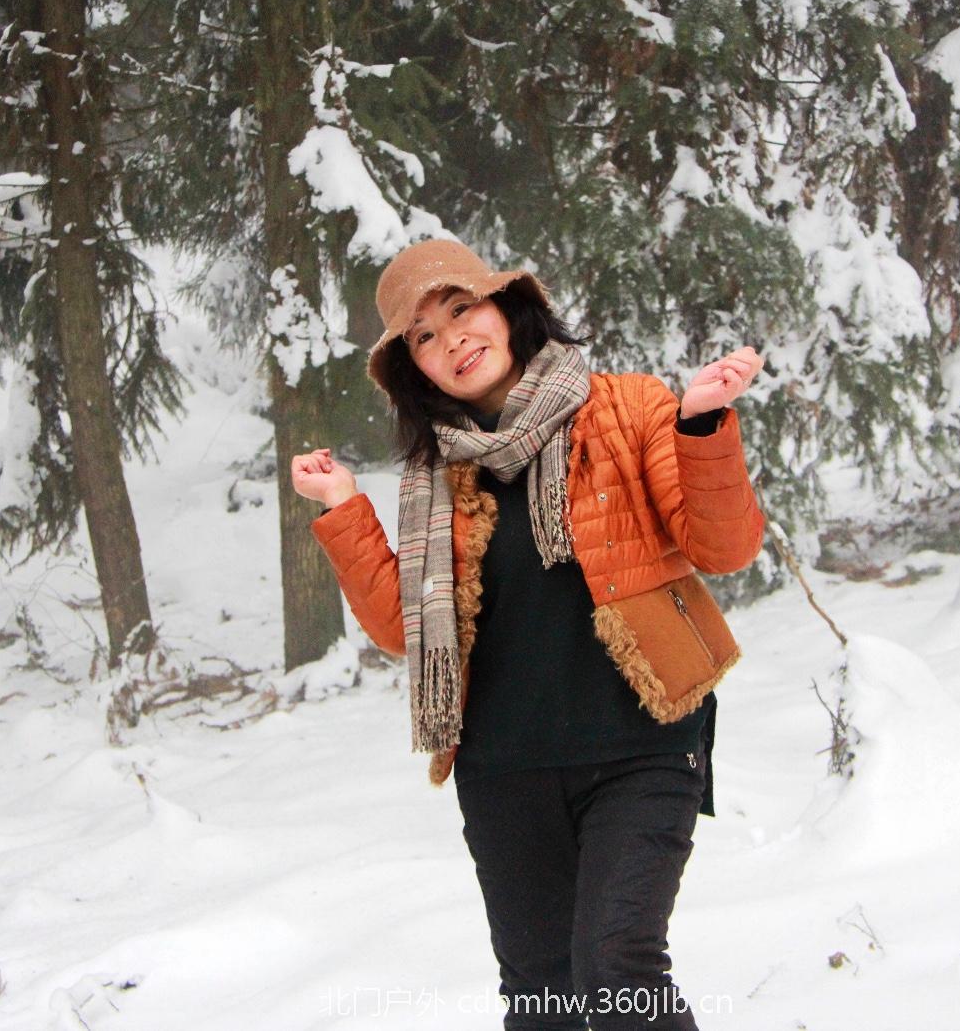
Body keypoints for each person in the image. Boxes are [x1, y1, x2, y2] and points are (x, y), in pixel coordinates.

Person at [291, 238, 765, 1030]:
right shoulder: (435, 477)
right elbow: (404, 628)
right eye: (425, 336)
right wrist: (343, 507)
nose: (452, 341)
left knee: (616, 968)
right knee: (542, 997)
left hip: (642, 746)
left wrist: (701, 425)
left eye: (461, 310)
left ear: (507, 307)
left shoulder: (628, 408)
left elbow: (724, 547)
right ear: (414, 368)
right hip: (505, 770)